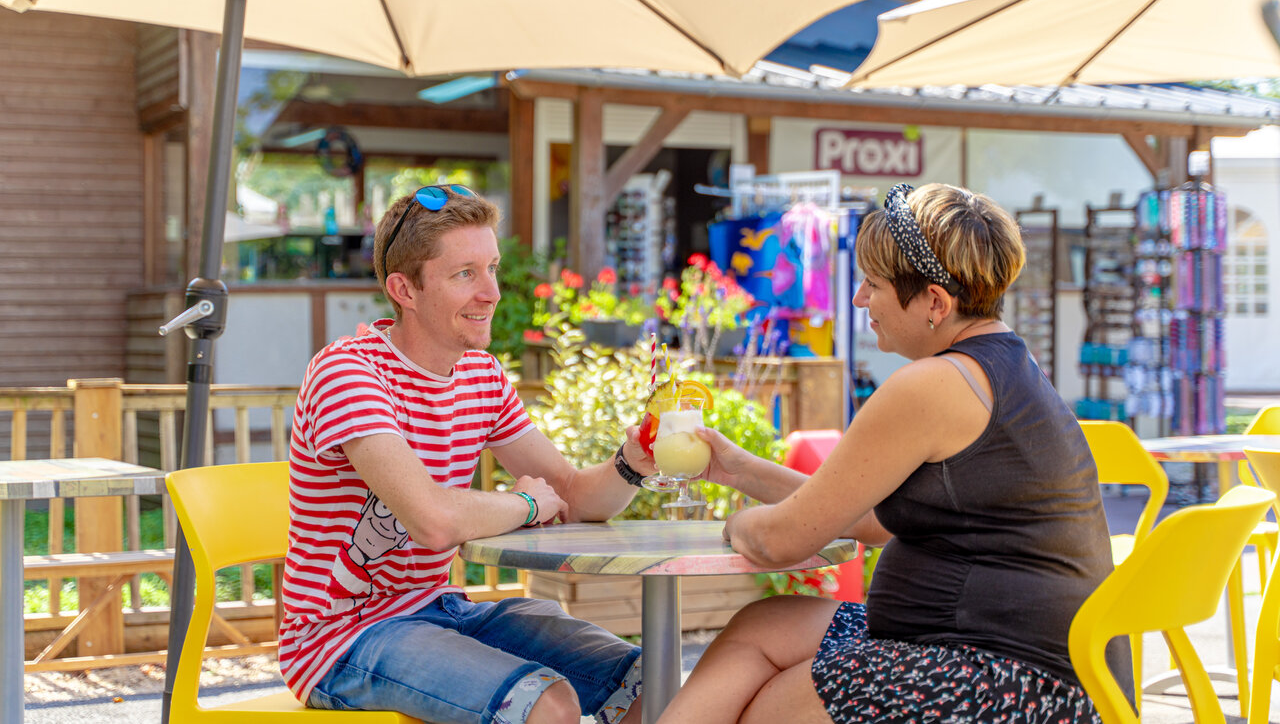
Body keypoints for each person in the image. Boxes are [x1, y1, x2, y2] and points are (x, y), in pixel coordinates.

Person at [657, 183, 1128, 724]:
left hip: (1011, 683)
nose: (860, 299)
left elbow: (778, 542)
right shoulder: (1003, 364)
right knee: (762, 626)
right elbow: (869, 517)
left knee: (769, 706)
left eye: (873, 284)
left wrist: (737, 526)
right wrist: (736, 468)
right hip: (1032, 666)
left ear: (935, 301)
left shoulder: (933, 384)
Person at [278, 185, 653, 724]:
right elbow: (431, 520)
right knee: (547, 704)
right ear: (404, 289)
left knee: (651, 682)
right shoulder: (349, 372)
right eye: (464, 274)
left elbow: (570, 495)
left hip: (443, 609)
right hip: (342, 638)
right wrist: (523, 504)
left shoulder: (481, 375)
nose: (492, 292)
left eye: (492, 268)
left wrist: (630, 462)